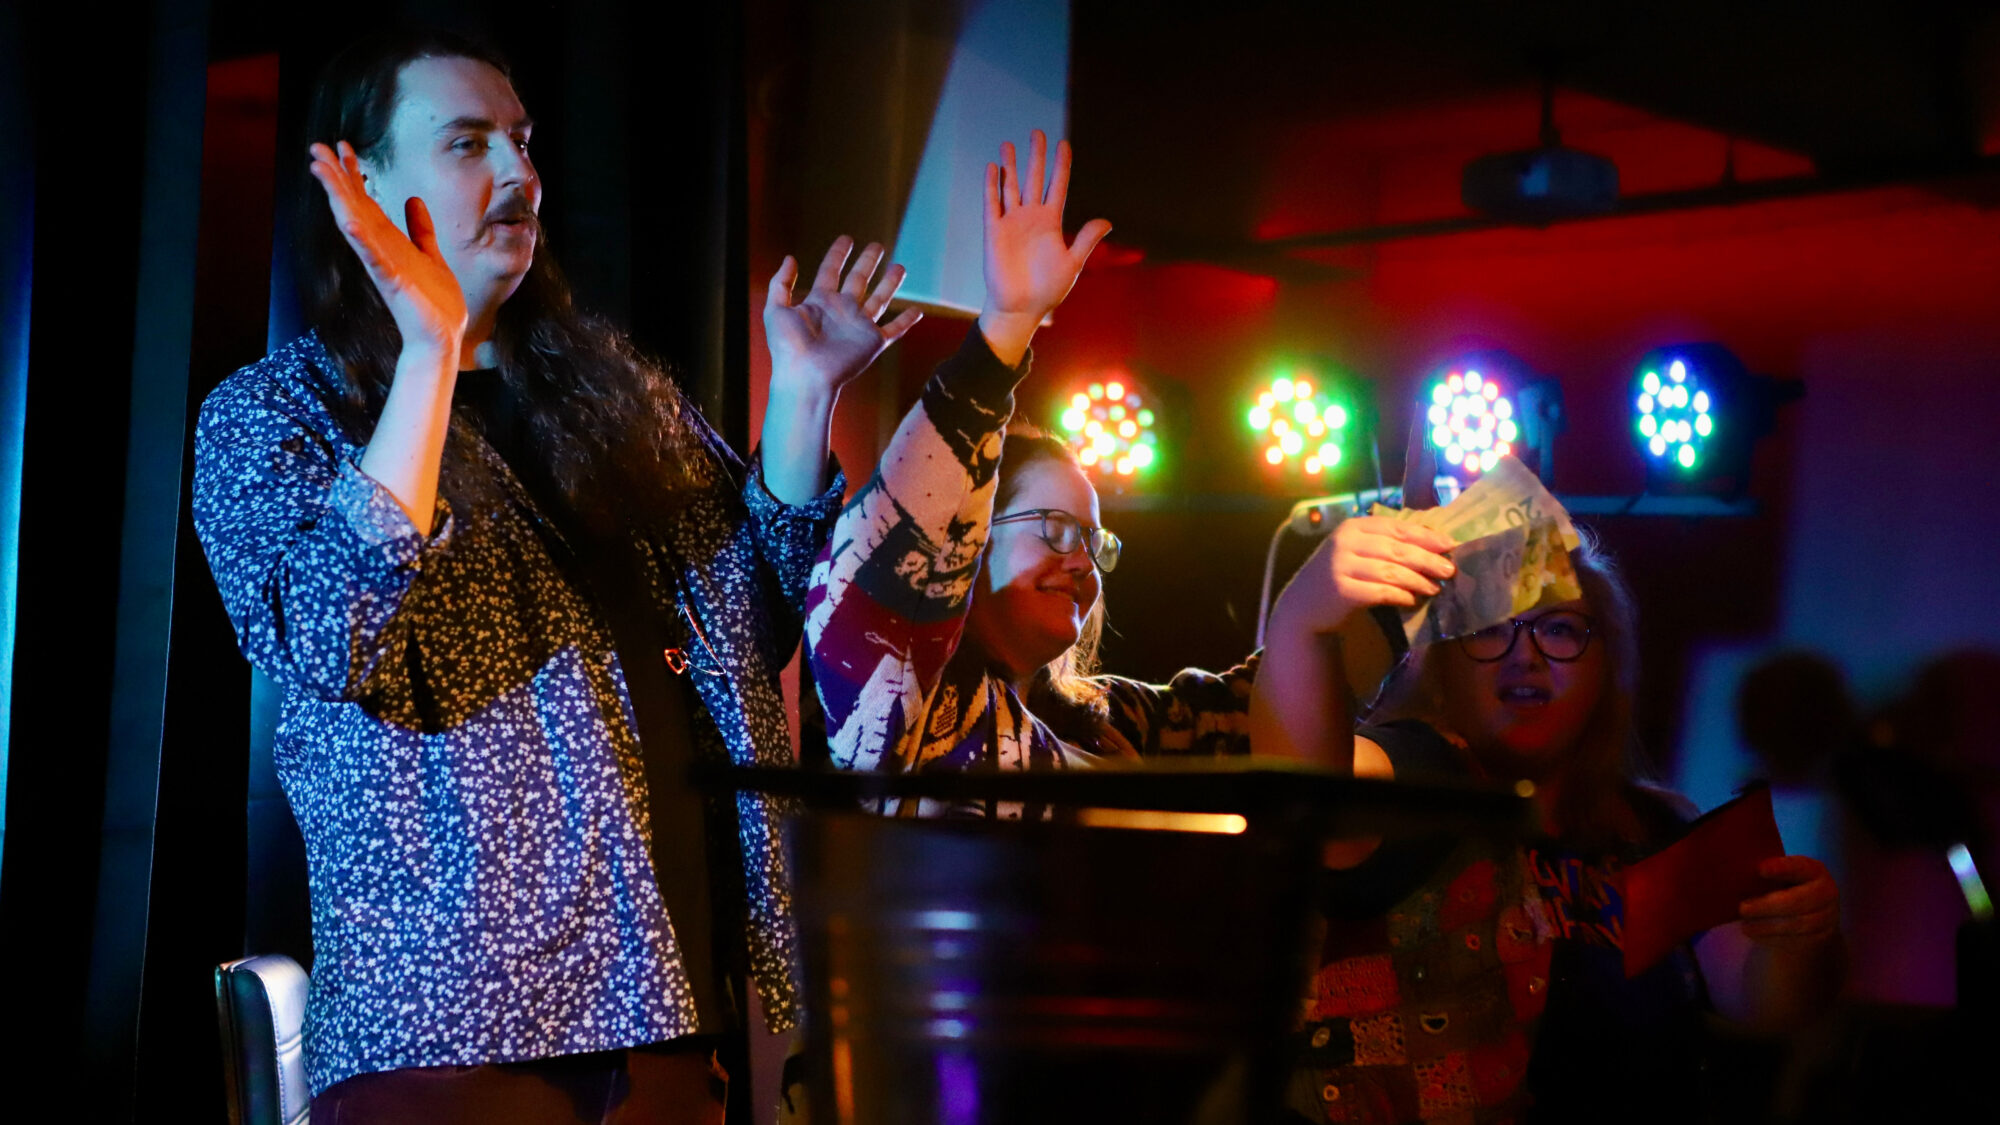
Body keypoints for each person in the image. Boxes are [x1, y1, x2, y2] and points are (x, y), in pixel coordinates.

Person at [193, 29, 917, 1121]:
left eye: (523, 143)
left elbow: (762, 626)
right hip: (456, 1028)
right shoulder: (279, 413)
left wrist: (804, 398)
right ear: (363, 184)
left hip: (671, 1007)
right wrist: (430, 354)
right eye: (468, 142)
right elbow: (329, 636)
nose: (519, 173)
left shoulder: (615, 402)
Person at [1248, 517, 1847, 1123]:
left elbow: (1766, 1004)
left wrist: (1800, 934)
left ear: (1606, 664)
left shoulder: (1651, 826)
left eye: (1559, 629)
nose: (1524, 657)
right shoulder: (1417, 775)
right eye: (1489, 631)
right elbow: (1305, 797)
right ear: (1444, 663)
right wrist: (1305, 619)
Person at [805, 131, 1253, 814]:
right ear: (969, 539)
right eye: (1054, 527)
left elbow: (1246, 715)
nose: (1082, 562)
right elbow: (879, 574)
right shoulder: (913, 714)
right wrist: (1005, 332)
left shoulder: (1106, 720)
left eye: (1093, 539)